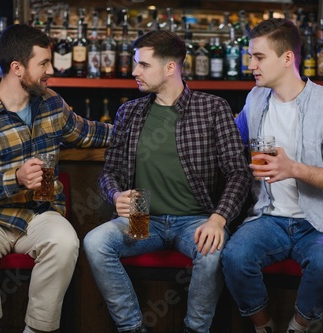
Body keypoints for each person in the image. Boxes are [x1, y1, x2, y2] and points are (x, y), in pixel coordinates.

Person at [0, 24, 112, 333]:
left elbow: (89, 133)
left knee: (64, 241)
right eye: (44, 64)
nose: (52, 70)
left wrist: (136, 129)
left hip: (40, 214)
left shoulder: (51, 103)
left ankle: (37, 329)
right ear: (17, 67)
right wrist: (15, 179)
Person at [83, 30, 251, 333]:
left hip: (197, 219)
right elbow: (110, 171)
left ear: (170, 67)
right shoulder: (129, 111)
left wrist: (218, 219)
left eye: (143, 65)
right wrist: (115, 194)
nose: (134, 72)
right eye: (136, 64)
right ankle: (132, 327)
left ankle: (195, 329)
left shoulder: (212, 108)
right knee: (95, 243)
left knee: (212, 254)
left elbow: (239, 172)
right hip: (141, 218)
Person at [221, 18, 323, 333]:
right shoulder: (256, 99)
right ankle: (264, 326)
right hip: (269, 218)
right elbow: (231, 138)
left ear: (287, 58)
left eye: (258, 57)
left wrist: (293, 168)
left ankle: (299, 326)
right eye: (250, 57)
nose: (250, 65)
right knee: (234, 256)